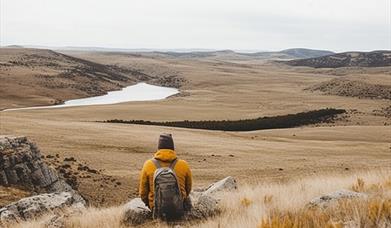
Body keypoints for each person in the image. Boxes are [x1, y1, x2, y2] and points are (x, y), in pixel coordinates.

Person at [139, 133, 192, 220]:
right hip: (178, 208)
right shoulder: (183, 165)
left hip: (156, 209)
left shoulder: (148, 165)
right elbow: (188, 189)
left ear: (158, 148)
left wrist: (151, 205)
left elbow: (143, 193)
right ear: (173, 148)